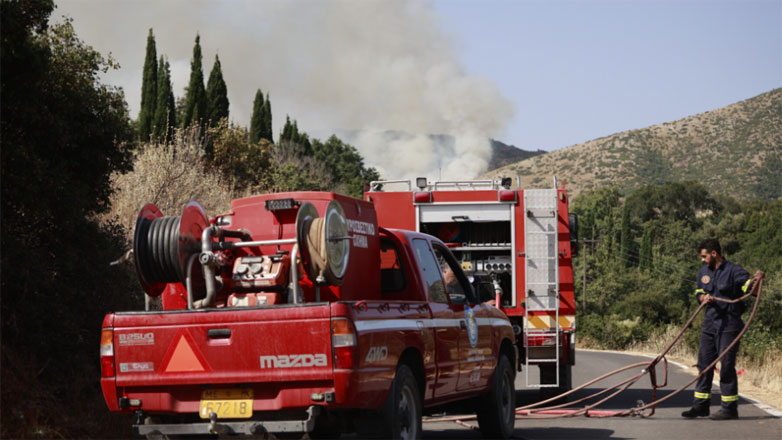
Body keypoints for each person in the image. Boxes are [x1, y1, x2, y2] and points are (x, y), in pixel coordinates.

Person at [681, 239, 753, 420]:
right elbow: (698, 292)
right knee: (704, 366)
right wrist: (702, 298)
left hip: (729, 326)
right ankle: (700, 406)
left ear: (714, 253)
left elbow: (749, 288)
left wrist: (755, 282)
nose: (702, 260)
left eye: (704, 256)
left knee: (726, 366)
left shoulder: (734, 271)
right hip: (709, 325)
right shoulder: (703, 272)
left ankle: (729, 409)